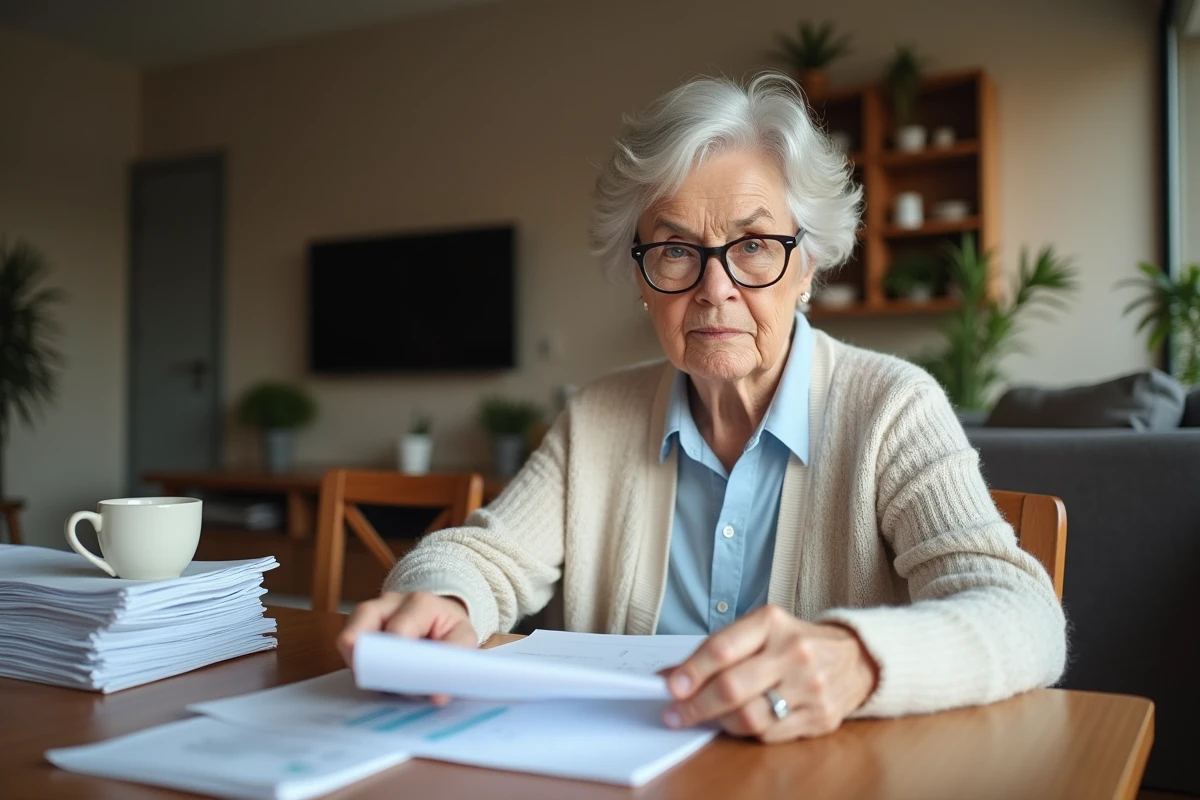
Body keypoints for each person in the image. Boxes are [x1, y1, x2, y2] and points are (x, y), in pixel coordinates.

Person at [339, 73, 1066, 743]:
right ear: (643, 279)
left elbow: (1022, 615)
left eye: (753, 245)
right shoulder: (597, 416)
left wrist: (857, 660)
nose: (714, 288)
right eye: (677, 250)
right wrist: (443, 600)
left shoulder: (891, 409)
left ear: (806, 266)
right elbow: (482, 554)